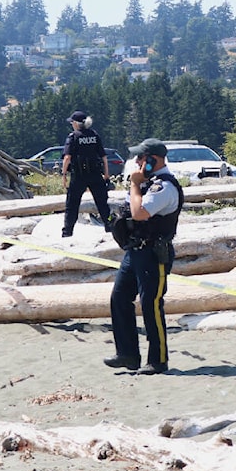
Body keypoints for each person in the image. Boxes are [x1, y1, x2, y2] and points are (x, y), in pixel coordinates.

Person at [104, 138, 184, 375]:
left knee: (151, 305)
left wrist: (135, 184)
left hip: (153, 253)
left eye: (142, 158)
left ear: (153, 160)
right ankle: (127, 353)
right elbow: (129, 208)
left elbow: (140, 213)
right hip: (134, 250)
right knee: (119, 299)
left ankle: (158, 360)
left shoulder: (165, 187)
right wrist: (137, 185)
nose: (138, 162)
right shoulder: (148, 184)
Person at [61, 110, 112, 238]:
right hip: (95, 174)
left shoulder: (73, 137)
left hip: (79, 176)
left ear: (77, 124)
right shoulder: (94, 136)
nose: (72, 124)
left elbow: (67, 157)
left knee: (72, 204)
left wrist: (63, 176)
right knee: (102, 203)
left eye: (72, 122)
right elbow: (104, 157)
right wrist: (106, 174)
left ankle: (67, 232)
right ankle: (110, 228)